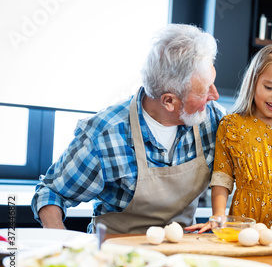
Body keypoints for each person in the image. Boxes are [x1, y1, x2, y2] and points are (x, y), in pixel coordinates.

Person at [31, 24, 226, 234]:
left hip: (180, 256)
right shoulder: (105, 135)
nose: (214, 95)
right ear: (169, 101)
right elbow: (51, 193)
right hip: (115, 257)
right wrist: (62, 247)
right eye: (205, 90)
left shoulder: (212, 119)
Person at [187, 44, 272, 234]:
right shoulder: (232, 126)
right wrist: (219, 215)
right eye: (269, 87)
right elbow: (222, 177)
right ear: (253, 81)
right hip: (242, 228)